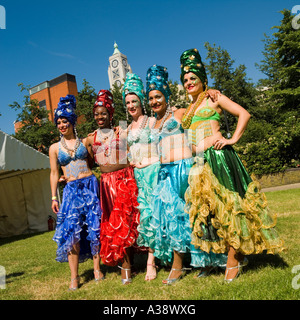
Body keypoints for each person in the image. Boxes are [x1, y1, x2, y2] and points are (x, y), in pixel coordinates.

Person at [180, 48, 285, 282]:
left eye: (192, 78)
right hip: (199, 164)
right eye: (185, 80)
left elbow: (243, 114)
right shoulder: (188, 109)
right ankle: (234, 255)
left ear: (203, 80)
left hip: (219, 158)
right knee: (212, 213)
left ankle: (233, 260)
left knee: (231, 207)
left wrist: (232, 139)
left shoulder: (213, 97)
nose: (188, 83)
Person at [146, 65, 227, 284]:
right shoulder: (152, 122)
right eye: (151, 98)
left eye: (158, 97)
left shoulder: (180, 113)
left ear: (167, 96)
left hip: (184, 168)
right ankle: (179, 265)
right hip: (165, 173)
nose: (154, 101)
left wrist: (209, 92)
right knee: (173, 219)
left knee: (196, 215)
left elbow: (200, 105)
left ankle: (207, 260)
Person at [85, 90, 142, 285]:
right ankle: (125, 261)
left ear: (110, 114)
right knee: (114, 223)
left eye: (103, 113)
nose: (100, 117)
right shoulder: (90, 139)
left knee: (126, 220)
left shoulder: (121, 130)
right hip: (106, 184)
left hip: (123, 180)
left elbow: (133, 149)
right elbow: (87, 162)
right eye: (97, 114)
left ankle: (127, 264)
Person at [50, 95, 103, 291]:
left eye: (65, 121)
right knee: (71, 233)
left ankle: (97, 270)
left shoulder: (85, 141)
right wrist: (54, 196)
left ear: (72, 122)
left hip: (90, 185)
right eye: (59, 122)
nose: (62, 125)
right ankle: (74, 277)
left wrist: (116, 128)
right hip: (71, 191)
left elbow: (102, 139)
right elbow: (54, 173)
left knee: (94, 228)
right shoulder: (54, 148)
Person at [122, 72, 160, 281]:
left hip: (154, 173)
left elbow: (163, 149)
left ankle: (151, 263)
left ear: (141, 101)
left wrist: (150, 162)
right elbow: (124, 156)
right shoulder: (126, 129)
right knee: (144, 219)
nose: (130, 106)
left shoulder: (153, 121)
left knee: (155, 216)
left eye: (134, 101)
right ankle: (154, 257)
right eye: (127, 102)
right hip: (137, 178)